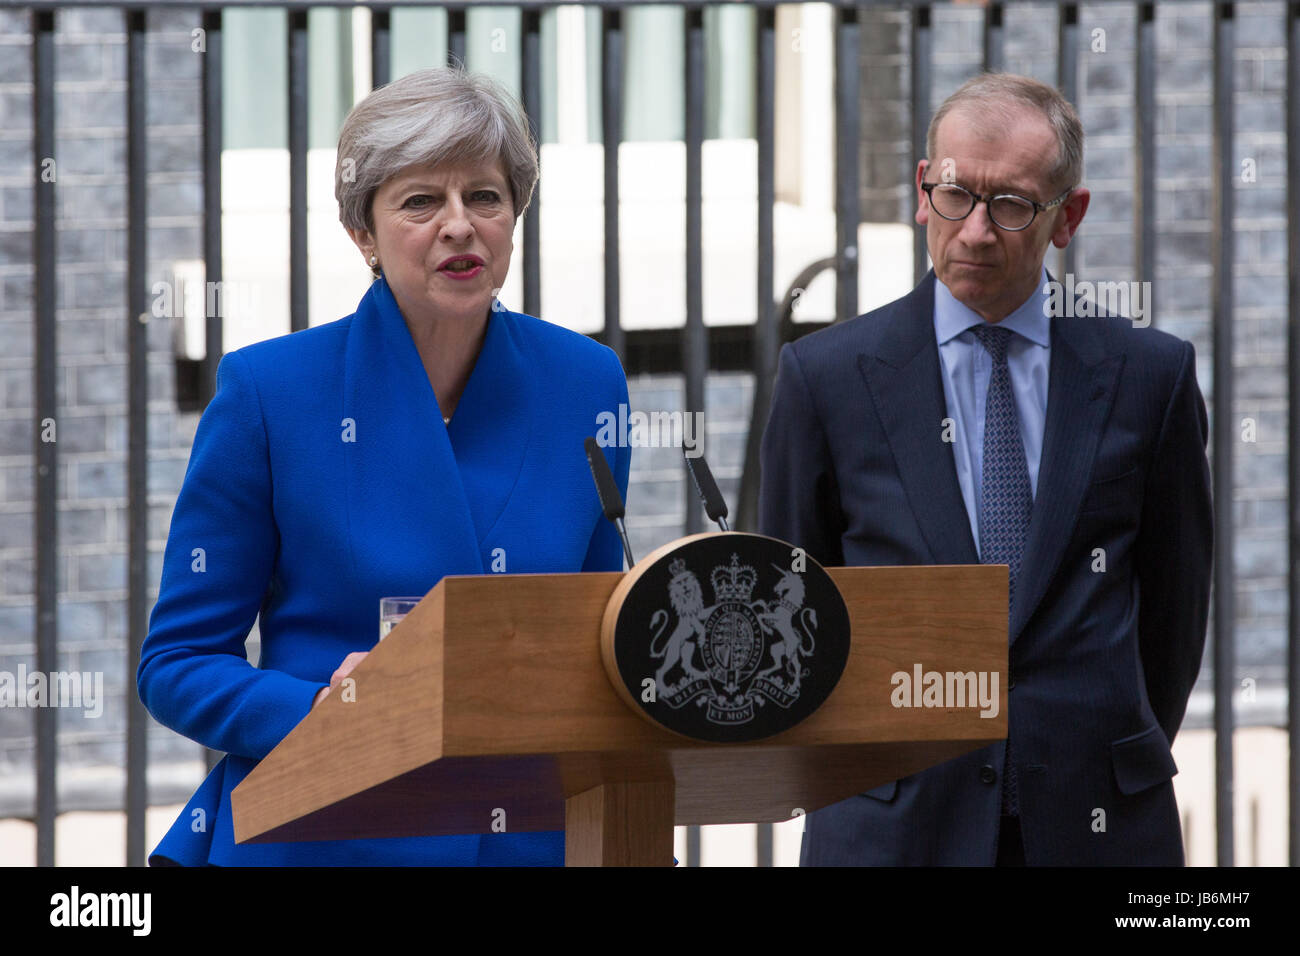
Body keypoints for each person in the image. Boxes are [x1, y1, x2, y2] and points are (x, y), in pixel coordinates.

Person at [137, 68, 630, 866]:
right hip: (326, 831)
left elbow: (594, 632)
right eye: (420, 201)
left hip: (524, 839)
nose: (460, 226)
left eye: (486, 196)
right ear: (363, 234)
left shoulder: (587, 382)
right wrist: (338, 708)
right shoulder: (270, 392)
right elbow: (177, 666)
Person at [759, 73, 1212, 865]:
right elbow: (795, 599)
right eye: (954, 194)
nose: (974, 231)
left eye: (1009, 205)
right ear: (920, 191)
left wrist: (1099, 750)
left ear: (1067, 216)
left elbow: (1175, 610)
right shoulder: (824, 379)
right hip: (893, 821)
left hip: (1096, 819)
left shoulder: (1151, 376)